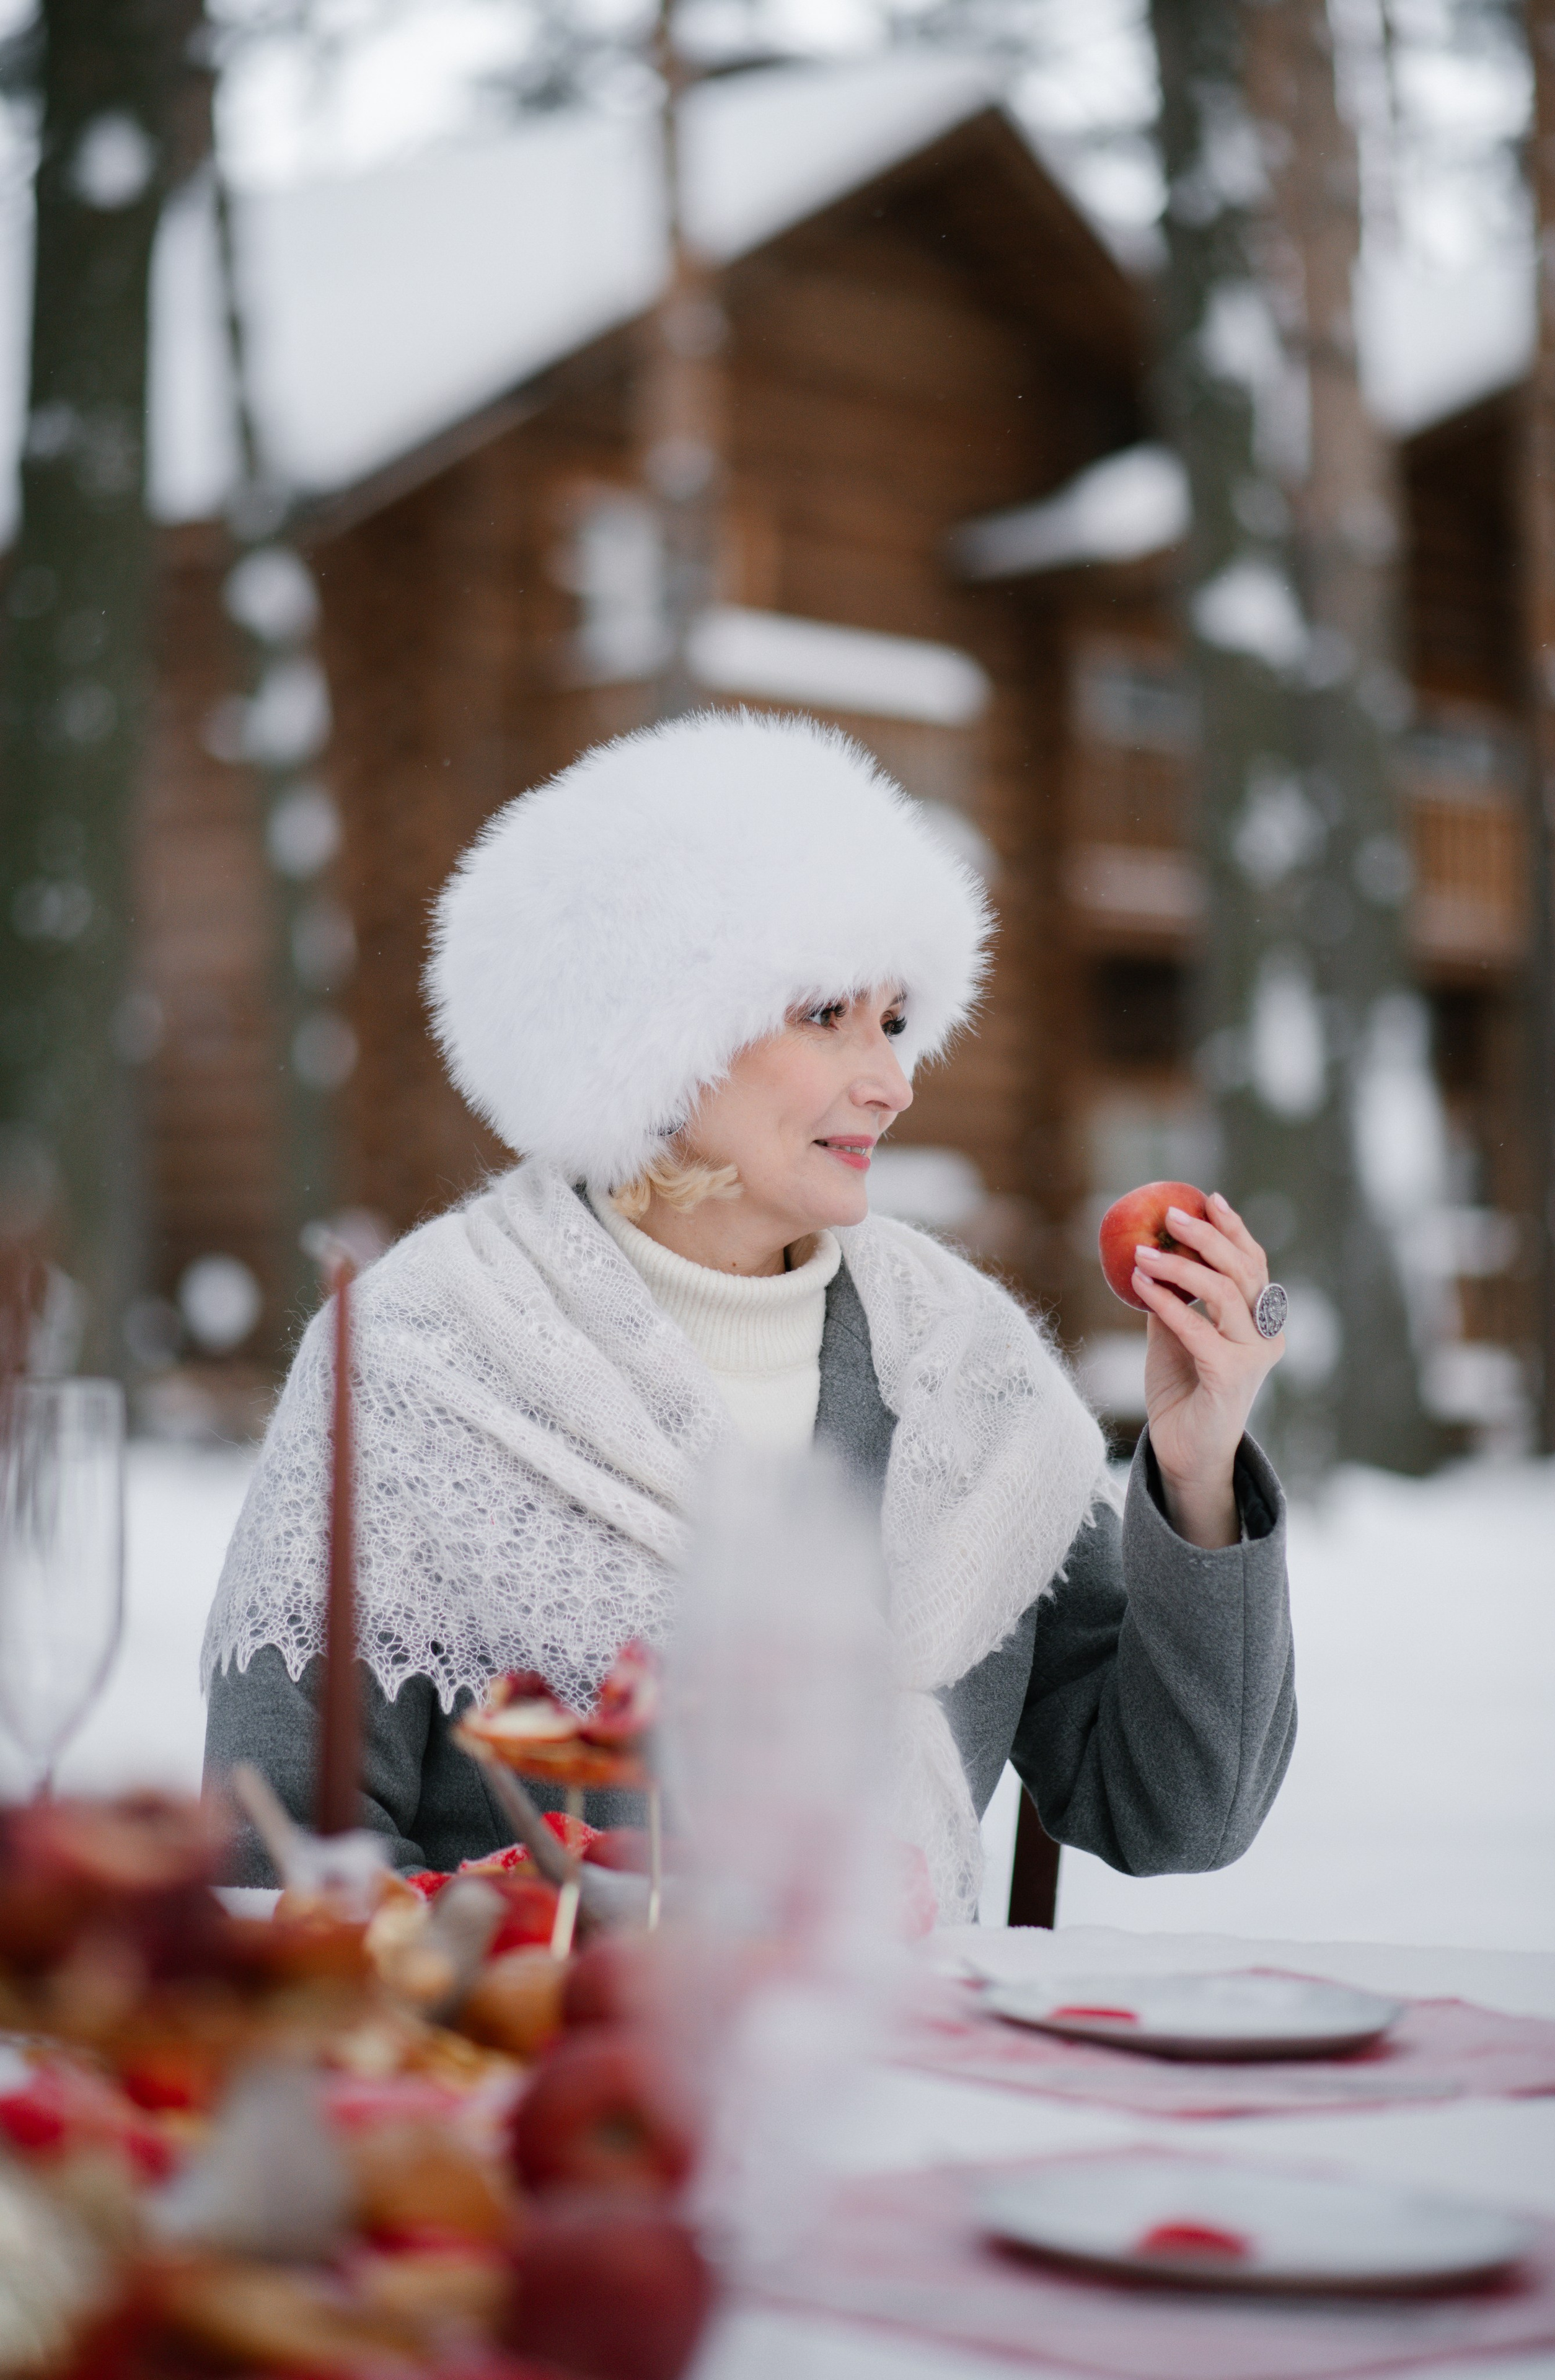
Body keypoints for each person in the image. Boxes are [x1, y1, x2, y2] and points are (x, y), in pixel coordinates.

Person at [204, 710, 1295, 1919]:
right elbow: (283, 1861)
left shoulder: (965, 1372)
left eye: (894, 1022)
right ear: (650, 1032)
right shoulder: (417, 1353)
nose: (892, 1082)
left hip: (902, 2038)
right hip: (539, 2039)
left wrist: (1196, 1471)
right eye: (825, 1015)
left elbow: (1173, 1813)